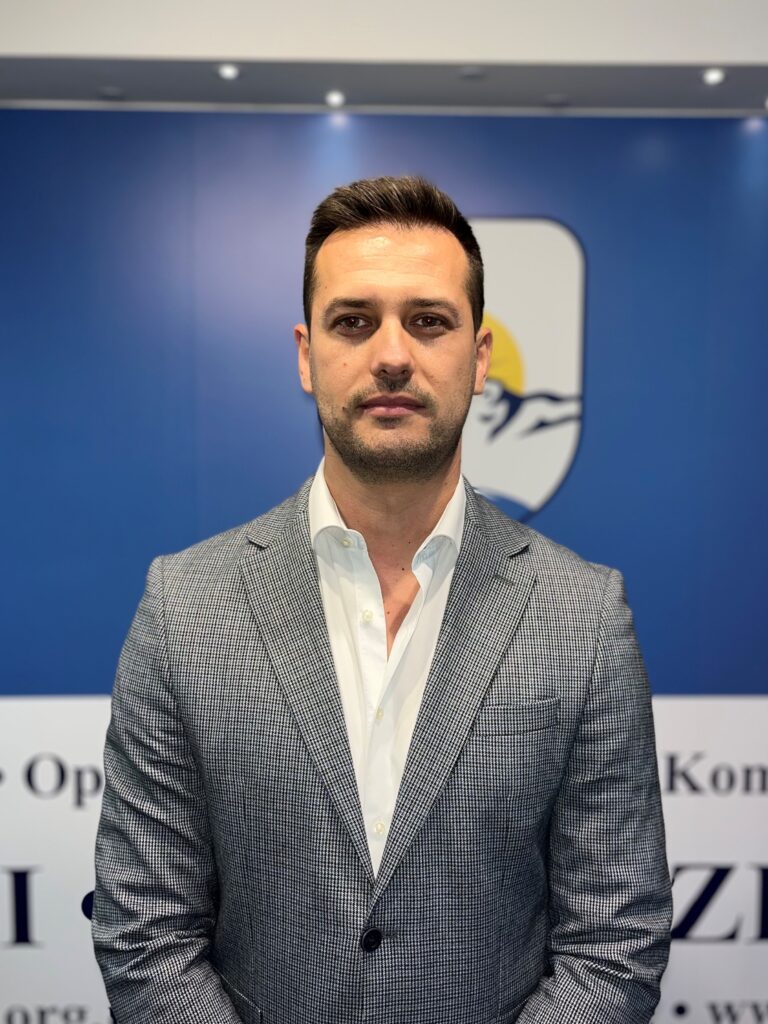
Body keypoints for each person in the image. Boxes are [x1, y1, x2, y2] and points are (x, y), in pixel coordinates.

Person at [92, 175, 672, 1024]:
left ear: (480, 358)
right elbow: (146, 932)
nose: (392, 354)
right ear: (306, 355)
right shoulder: (184, 608)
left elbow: (615, 945)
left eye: (428, 321)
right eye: (354, 322)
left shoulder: (583, 617)